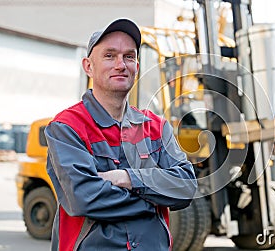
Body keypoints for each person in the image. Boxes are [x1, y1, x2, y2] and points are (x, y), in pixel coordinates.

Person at [45, 18, 197, 251]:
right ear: (88, 66)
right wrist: (154, 198)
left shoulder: (156, 127)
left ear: (137, 64)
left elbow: (186, 186)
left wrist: (126, 178)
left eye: (129, 56)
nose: (120, 64)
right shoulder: (67, 127)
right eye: (109, 55)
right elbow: (84, 198)